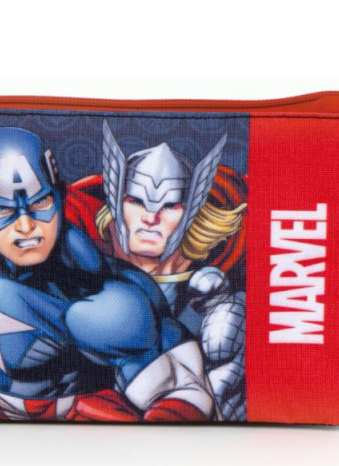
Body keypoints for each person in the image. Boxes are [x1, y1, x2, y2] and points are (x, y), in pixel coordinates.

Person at [0, 126, 217, 422]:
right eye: (2, 210)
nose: (25, 226)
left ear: (60, 197)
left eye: (40, 203)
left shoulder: (104, 294)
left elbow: (183, 397)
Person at [67, 121, 248, 421]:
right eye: (136, 201)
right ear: (117, 203)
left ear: (191, 211)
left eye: (170, 206)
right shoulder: (83, 271)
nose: (151, 217)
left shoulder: (211, 300)